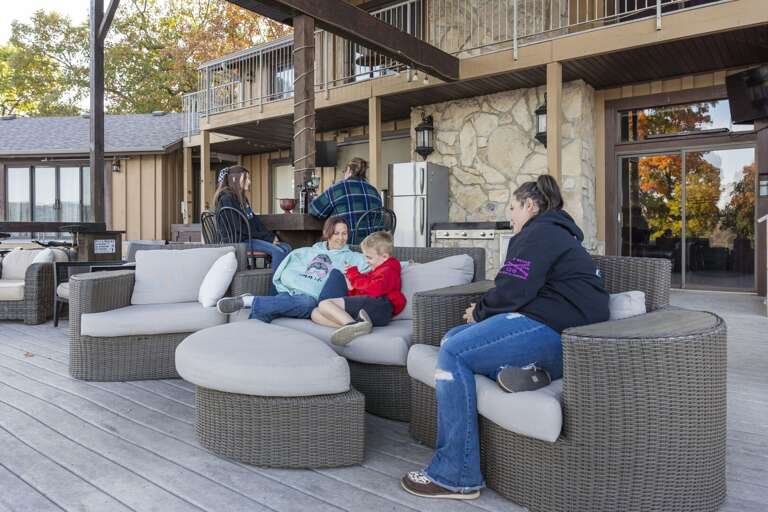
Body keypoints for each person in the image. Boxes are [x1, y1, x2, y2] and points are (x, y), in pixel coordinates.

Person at [400, 175, 610, 500]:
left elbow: (513, 289)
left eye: (512, 207)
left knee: (454, 350)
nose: (509, 216)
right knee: (455, 337)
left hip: (553, 328)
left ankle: (454, 475)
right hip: (572, 342)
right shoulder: (560, 235)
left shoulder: (537, 233)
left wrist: (480, 311)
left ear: (530, 205)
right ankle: (529, 372)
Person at [216, 216, 368, 323]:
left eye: (345, 233)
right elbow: (289, 268)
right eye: (337, 233)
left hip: (312, 300)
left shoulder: (354, 258)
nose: (341, 238)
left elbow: (372, 272)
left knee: (307, 303)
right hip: (292, 292)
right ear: (328, 234)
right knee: (290, 303)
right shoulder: (309, 252)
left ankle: (249, 301)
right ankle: (252, 327)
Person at [311, 231, 406, 346]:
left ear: (385, 257)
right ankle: (357, 328)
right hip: (373, 308)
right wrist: (351, 287)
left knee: (324, 304)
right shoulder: (378, 270)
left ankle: (351, 324)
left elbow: (373, 290)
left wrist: (354, 275)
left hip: (381, 306)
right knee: (315, 313)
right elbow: (365, 290)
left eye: (369, 257)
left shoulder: (389, 270)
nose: (366, 260)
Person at [213, 165, 292, 289]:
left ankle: (286, 286)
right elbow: (239, 228)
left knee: (286, 247)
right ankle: (274, 291)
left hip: (248, 238)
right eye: (246, 178)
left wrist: (271, 236)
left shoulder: (241, 199)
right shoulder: (227, 199)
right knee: (277, 251)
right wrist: (267, 238)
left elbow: (254, 222)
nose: (249, 182)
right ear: (235, 179)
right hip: (239, 241)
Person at [309, 157, 383, 245]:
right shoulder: (374, 191)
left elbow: (315, 210)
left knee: (320, 243)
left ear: (349, 170)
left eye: (344, 172)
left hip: (347, 244)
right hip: (373, 246)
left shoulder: (338, 188)